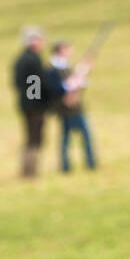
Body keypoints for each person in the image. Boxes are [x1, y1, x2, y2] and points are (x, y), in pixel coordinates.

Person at [47, 42, 96, 172]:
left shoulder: (64, 66)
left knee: (68, 137)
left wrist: (83, 73)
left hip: (73, 106)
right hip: (66, 107)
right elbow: (56, 88)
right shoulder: (53, 69)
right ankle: (84, 164)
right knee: (77, 136)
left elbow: (75, 83)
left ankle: (69, 166)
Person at [12, 25, 48, 178]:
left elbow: (17, 83)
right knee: (34, 137)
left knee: (30, 137)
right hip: (34, 106)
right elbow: (35, 84)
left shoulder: (20, 59)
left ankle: (27, 170)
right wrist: (39, 104)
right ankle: (30, 172)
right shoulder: (32, 60)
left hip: (25, 104)